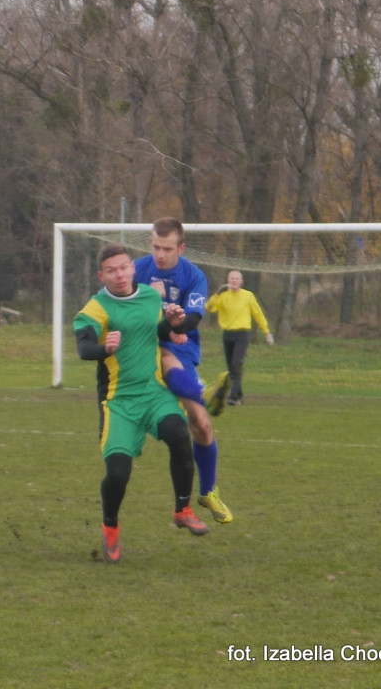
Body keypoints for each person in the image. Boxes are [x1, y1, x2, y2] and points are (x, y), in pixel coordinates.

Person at [75, 243, 209, 564]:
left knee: (179, 434)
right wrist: (103, 347)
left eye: (123, 267)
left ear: (133, 268)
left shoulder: (151, 297)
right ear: (101, 275)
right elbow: (83, 347)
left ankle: (182, 508)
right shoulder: (96, 308)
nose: (119, 275)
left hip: (153, 393)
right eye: (111, 270)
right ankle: (110, 525)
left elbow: (157, 330)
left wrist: (174, 325)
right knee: (118, 475)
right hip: (118, 402)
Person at [133, 217, 233, 524]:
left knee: (201, 425)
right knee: (164, 358)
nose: (159, 254)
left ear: (181, 247)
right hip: (147, 346)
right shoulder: (136, 269)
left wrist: (179, 323)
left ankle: (208, 492)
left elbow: (194, 317)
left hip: (183, 346)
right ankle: (205, 394)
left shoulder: (193, 275)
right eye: (155, 246)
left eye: (166, 248)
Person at [205, 269, 273, 406]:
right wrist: (218, 292)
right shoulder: (223, 295)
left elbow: (257, 314)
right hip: (228, 334)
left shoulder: (248, 296)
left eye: (237, 278)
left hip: (242, 333)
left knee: (237, 363)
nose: (234, 281)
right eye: (231, 278)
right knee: (231, 368)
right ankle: (240, 395)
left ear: (241, 282)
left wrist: (266, 332)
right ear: (227, 281)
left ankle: (233, 397)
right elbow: (209, 307)